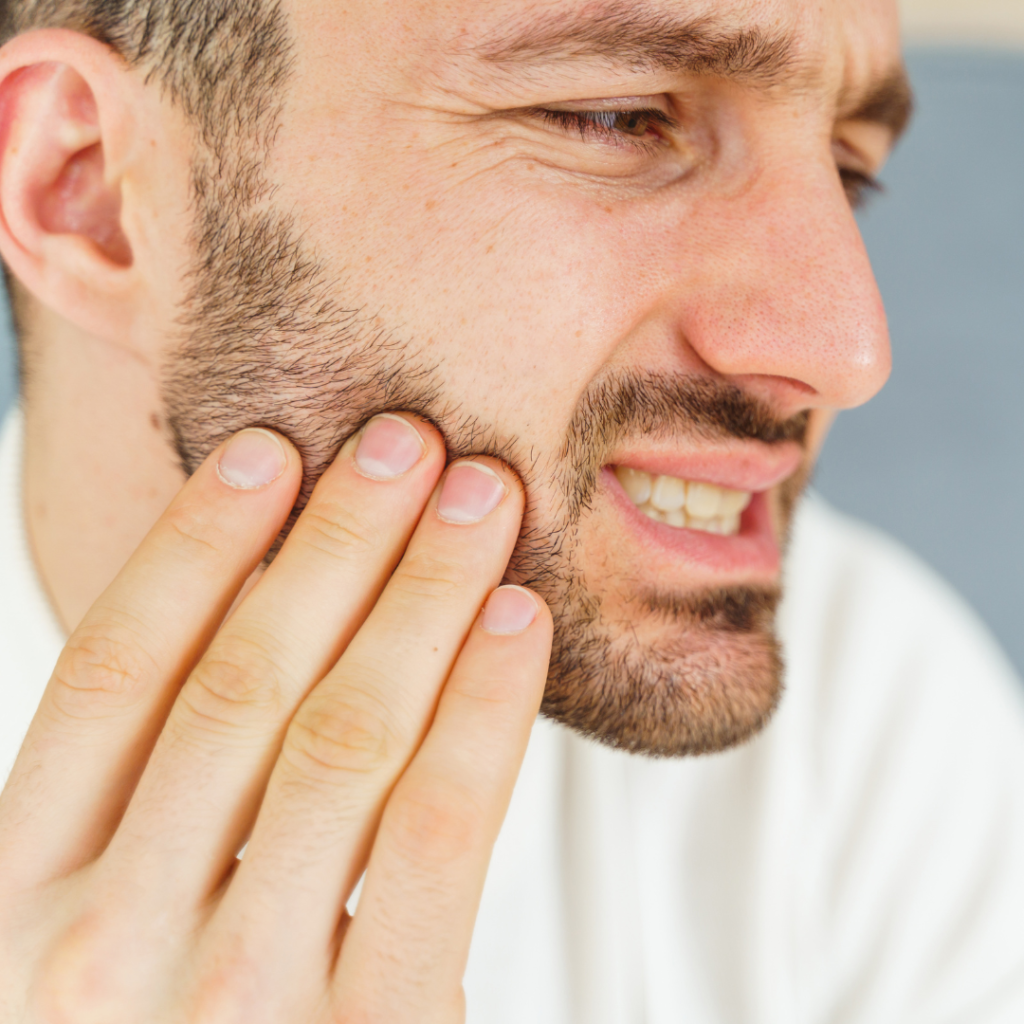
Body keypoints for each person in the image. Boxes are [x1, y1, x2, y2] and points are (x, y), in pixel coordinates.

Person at [0, 0, 1023, 1019]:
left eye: (849, 171)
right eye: (617, 119)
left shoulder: (877, 727)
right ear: (81, 190)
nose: (845, 353)